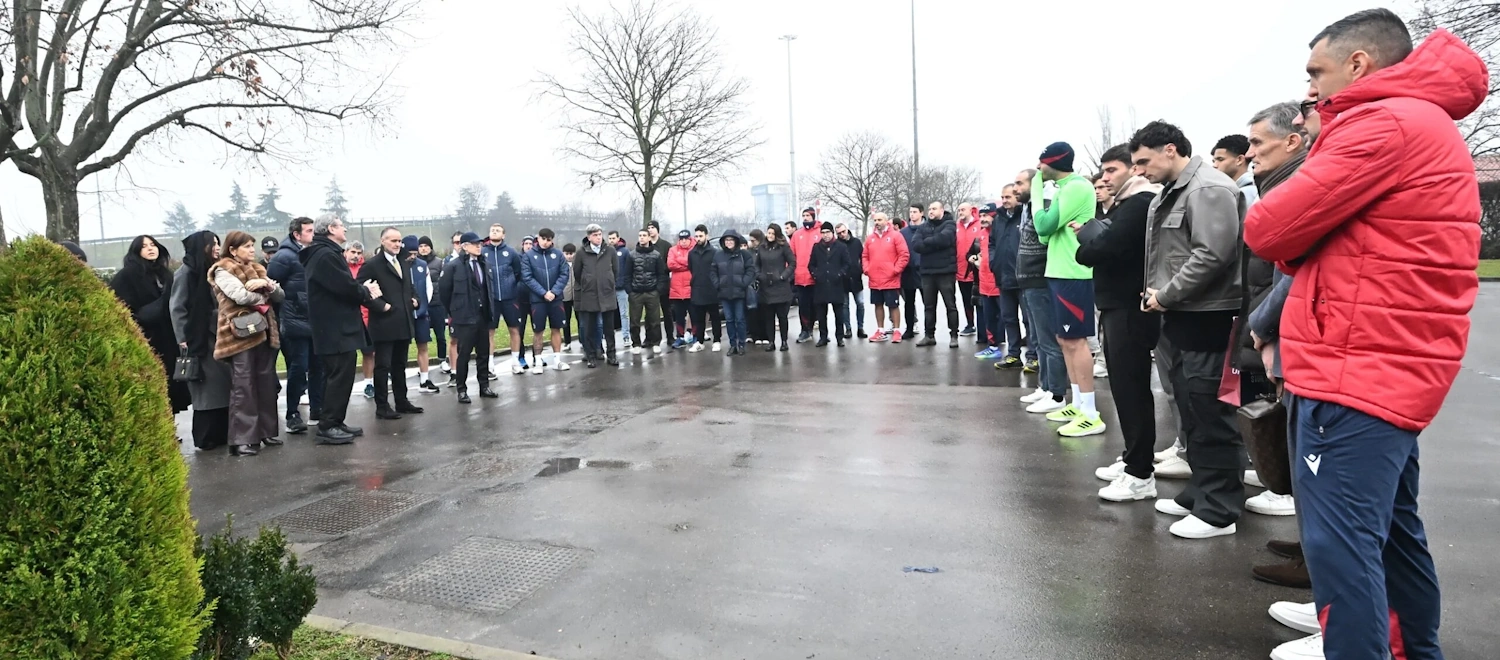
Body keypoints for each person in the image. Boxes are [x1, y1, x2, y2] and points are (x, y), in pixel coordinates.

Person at [1246, 11, 1483, 659]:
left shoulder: (1383, 124)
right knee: (1393, 539)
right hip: (1384, 365)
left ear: (1359, 64)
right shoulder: (1416, 121)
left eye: (1316, 73)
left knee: (1340, 548)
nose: (1310, 92)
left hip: (1355, 368)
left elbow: (1268, 229)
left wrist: (1300, 244)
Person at [1131, 120, 1247, 540]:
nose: (1140, 171)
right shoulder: (1178, 189)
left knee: (1210, 411)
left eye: (1144, 161)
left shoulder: (1207, 189)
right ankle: (1201, 491)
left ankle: (1220, 509)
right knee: (1191, 409)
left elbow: (1213, 254)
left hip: (1208, 314)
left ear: (1170, 149)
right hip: (1186, 312)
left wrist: (1168, 294)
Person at [1243, 99, 1315, 591]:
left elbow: (1294, 270)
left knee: (1315, 461)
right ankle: (1310, 545)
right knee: (1301, 449)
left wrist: (1261, 323)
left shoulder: (1302, 185)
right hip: (1287, 329)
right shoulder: (1282, 182)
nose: (1249, 154)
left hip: (1296, 329)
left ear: (1292, 141)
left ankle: (1316, 563)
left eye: (1256, 143)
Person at [1077, 143, 1164, 502]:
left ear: (1133, 169)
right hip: (1116, 304)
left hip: (1130, 307)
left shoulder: (1140, 203)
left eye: (1112, 170)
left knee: (1131, 389)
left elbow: (1098, 250)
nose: (1104, 178)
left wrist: (1089, 243)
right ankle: (1133, 457)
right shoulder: (1126, 205)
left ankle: (1140, 473)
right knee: (1124, 389)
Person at [1031, 142, 1105, 438]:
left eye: (1041, 163)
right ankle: (1077, 404)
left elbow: (1044, 226)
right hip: (1059, 271)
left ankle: (1090, 412)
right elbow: (1045, 237)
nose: (1038, 169)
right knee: (1064, 338)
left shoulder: (1075, 187)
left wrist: (1037, 192)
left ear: (1053, 163)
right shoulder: (1063, 189)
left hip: (1074, 272)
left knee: (1076, 341)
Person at [301, 215, 382, 444]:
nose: (345, 228)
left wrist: (359, 289)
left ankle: (336, 420)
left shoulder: (325, 253)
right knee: (338, 376)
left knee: (341, 375)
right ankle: (328, 426)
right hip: (334, 327)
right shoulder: (325, 255)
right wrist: (365, 291)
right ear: (330, 229)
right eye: (340, 225)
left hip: (336, 325)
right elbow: (343, 288)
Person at [209, 231, 286, 457]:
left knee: (265, 382)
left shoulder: (259, 269)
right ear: (232, 250)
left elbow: (279, 294)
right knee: (244, 386)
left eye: (252, 246)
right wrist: (264, 294)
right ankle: (242, 439)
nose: (252, 250)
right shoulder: (222, 269)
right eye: (246, 246)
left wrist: (265, 285)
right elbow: (240, 296)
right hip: (238, 334)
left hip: (263, 330)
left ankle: (266, 432)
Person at [110, 235, 192, 416]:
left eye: (153, 244)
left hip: (167, 337)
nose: (150, 248)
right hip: (146, 338)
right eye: (144, 246)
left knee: (171, 383)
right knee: (152, 382)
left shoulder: (164, 274)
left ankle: (169, 424)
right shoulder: (128, 275)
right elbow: (119, 305)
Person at [171, 231, 231, 450]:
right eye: (212, 244)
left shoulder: (215, 270)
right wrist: (183, 338)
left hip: (218, 336)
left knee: (222, 387)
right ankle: (206, 437)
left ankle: (222, 433)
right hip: (199, 340)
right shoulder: (186, 272)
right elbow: (177, 308)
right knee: (207, 390)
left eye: (217, 243)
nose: (217, 247)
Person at [357, 228, 425, 420]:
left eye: (399, 241)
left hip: (403, 321)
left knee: (399, 364)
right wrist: (382, 306)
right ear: (383, 241)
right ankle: (382, 405)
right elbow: (361, 291)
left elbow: (409, 286)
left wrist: (415, 299)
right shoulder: (373, 265)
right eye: (393, 240)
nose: (397, 244)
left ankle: (402, 401)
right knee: (383, 366)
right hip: (384, 324)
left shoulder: (402, 261)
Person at [1015, 169, 1069, 409]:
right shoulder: (1028, 207)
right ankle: (1045, 387)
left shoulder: (1045, 204)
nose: (1015, 188)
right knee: (1037, 340)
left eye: (1019, 183)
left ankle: (1057, 394)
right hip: (1028, 282)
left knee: (1049, 340)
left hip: (1041, 280)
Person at [265, 217, 322, 433]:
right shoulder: (284, 257)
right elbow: (271, 289)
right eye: (308, 231)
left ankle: (317, 409)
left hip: (315, 319)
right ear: (296, 234)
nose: (312, 234)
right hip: (294, 321)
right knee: (298, 369)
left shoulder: (314, 253)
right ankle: (292, 414)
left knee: (319, 367)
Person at [439, 232, 499, 403]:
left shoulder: (484, 264)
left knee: (483, 353)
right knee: (463, 354)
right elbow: (444, 291)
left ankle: (484, 386)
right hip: (464, 316)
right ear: (465, 246)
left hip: (482, 314)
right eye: (474, 244)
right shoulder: (453, 266)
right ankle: (462, 389)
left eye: (479, 243)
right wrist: (454, 310)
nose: (478, 246)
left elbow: (488, 288)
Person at [908, 202, 959, 347]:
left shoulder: (950, 224)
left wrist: (928, 242)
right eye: (929, 209)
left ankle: (954, 335)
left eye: (934, 209)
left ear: (942, 210)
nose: (931, 211)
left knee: (950, 305)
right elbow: (916, 245)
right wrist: (935, 244)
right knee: (929, 306)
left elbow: (945, 239)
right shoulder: (923, 227)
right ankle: (929, 335)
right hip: (927, 272)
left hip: (945, 271)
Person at [521, 228, 571, 374]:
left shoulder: (558, 255)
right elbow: (527, 277)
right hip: (538, 300)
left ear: (552, 240)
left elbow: (564, 274)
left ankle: (557, 360)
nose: (545, 242)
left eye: (548, 239)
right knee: (538, 330)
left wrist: (554, 292)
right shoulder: (529, 256)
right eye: (543, 239)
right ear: (538, 238)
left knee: (556, 329)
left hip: (556, 299)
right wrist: (543, 293)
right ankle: (537, 361)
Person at [573, 224, 620, 368]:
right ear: (589, 237)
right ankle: (591, 356)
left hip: (607, 294)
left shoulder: (610, 251)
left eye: (600, 234)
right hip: (589, 295)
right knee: (589, 328)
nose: (598, 237)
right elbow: (577, 273)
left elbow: (616, 270)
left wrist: (608, 281)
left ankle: (611, 355)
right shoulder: (581, 253)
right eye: (595, 235)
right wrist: (588, 282)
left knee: (609, 329)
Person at [481, 224, 525, 374]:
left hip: (510, 298)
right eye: (492, 229)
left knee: (514, 329)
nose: (494, 231)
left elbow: (519, 273)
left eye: (498, 230)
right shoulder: (483, 252)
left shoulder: (511, 252)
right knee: (490, 332)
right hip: (491, 299)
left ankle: (515, 362)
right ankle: (490, 364)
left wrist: (512, 288)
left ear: (503, 235)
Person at [992, 187, 1028, 369]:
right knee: (1009, 318)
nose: (1004, 200)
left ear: (1017, 197)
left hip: (1023, 276)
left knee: (1028, 319)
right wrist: (993, 262)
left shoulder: (1026, 215)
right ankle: (1013, 355)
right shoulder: (998, 219)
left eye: (1008, 197)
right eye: (1002, 197)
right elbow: (992, 243)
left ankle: (1033, 355)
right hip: (1003, 276)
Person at [400, 235, 440, 393]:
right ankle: (399, 382)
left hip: (421, 314)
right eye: (409, 253)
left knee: (423, 346)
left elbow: (429, 288)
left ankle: (425, 380)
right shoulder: (398, 265)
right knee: (401, 349)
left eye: (415, 253)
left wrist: (423, 305)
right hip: (403, 315)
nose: (412, 256)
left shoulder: (423, 265)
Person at [862, 212, 909, 343]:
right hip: (875, 279)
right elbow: (865, 256)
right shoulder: (870, 238)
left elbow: (904, 255)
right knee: (878, 305)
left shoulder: (896, 236)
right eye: (875, 220)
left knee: (893, 305)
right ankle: (880, 330)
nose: (877, 222)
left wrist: (896, 270)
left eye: (880, 220)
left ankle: (897, 330)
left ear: (886, 221)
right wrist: (867, 269)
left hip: (891, 279)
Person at [711, 229, 757, 355]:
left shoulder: (744, 255)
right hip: (724, 293)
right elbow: (713, 271)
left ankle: (741, 344)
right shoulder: (718, 255)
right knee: (729, 320)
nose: (729, 242)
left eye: (731, 240)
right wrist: (717, 284)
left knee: (740, 319)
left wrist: (743, 283)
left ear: (736, 241)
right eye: (727, 240)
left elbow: (750, 270)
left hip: (739, 293)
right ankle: (732, 344)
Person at [807, 221, 851, 347]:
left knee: (839, 313)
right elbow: (811, 265)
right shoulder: (817, 247)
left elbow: (847, 264)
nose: (825, 235)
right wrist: (816, 275)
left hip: (836, 284)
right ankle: (823, 337)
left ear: (832, 233)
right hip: (821, 284)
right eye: (823, 232)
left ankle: (840, 337)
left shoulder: (841, 246)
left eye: (828, 232)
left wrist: (839, 274)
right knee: (821, 314)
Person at [626, 228, 668, 356]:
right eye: (640, 235)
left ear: (649, 238)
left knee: (654, 320)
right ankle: (636, 344)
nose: (642, 238)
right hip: (636, 293)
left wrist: (658, 290)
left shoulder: (656, 255)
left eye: (644, 235)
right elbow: (627, 274)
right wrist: (630, 290)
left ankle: (656, 343)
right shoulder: (631, 255)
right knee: (634, 321)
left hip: (652, 292)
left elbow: (662, 274)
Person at [344, 241, 377, 399]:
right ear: (346, 252)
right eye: (353, 252)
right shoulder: (340, 268)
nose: (355, 256)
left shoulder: (367, 268)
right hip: (346, 317)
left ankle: (368, 383)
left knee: (369, 352)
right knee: (346, 356)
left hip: (367, 316)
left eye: (358, 253)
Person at [756, 223, 796, 351]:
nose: (770, 236)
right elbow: (756, 265)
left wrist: (783, 276)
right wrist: (759, 275)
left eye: (773, 233)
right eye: (768, 233)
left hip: (780, 286)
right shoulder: (762, 247)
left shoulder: (783, 247)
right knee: (769, 317)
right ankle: (771, 341)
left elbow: (792, 262)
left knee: (782, 316)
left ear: (777, 234)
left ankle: (784, 341)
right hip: (766, 286)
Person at [686, 225, 723, 353]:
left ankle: (717, 340)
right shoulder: (692, 253)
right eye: (696, 236)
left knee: (715, 317)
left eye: (701, 236)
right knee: (698, 318)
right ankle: (699, 341)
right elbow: (691, 268)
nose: (698, 239)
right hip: (697, 288)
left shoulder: (714, 252)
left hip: (711, 289)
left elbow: (718, 270)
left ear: (707, 236)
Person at [971, 206, 1002, 359]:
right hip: (985, 284)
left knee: (1007, 319)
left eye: (986, 215)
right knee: (989, 318)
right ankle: (993, 347)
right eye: (981, 215)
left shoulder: (1000, 232)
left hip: (1000, 284)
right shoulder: (981, 234)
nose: (982, 219)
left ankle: (1014, 351)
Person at [417, 236, 450, 375]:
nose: (423, 248)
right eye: (421, 246)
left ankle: (442, 360)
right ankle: (423, 366)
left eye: (426, 246)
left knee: (440, 334)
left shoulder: (439, 263)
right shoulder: (415, 264)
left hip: (437, 304)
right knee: (421, 337)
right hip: (421, 306)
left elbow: (444, 283)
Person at [790, 208, 822, 342]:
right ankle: (805, 330)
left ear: (813, 216)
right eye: (803, 215)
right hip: (800, 276)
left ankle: (816, 327)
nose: (805, 218)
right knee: (803, 305)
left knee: (816, 305)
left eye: (808, 215)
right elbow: (791, 255)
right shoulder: (797, 235)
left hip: (816, 277)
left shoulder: (820, 232)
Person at [953, 202, 982, 337]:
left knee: (980, 301)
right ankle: (970, 324)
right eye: (959, 210)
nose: (960, 212)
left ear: (971, 210)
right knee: (966, 300)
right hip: (961, 270)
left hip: (977, 270)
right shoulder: (956, 227)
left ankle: (984, 327)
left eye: (963, 209)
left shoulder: (979, 224)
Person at [835, 223, 866, 339]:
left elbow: (863, 257)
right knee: (844, 305)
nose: (842, 235)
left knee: (860, 303)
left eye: (843, 232)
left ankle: (860, 327)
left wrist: (861, 269)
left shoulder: (856, 242)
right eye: (839, 233)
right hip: (842, 279)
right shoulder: (836, 244)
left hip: (856, 277)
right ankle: (847, 328)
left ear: (847, 230)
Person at [897, 206, 923, 342]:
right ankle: (909, 328)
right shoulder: (903, 232)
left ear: (921, 213)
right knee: (909, 303)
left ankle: (930, 331)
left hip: (924, 270)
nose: (912, 215)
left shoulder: (927, 229)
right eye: (910, 212)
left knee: (929, 303)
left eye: (915, 212)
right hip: (908, 271)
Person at [1211, 134, 1260, 205]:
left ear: (1239, 160)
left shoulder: (1250, 193)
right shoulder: (1231, 191)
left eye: (1220, 159)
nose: (1214, 165)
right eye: (1214, 161)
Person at [648, 221, 676, 345]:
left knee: (667, 311)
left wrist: (659, 268)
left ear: (658, 230)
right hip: (648, 283)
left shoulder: (665, 245)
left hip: (663, 282)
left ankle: (670, 336)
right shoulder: (645, 245)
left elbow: (669, 264)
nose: (650, 230)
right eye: (648, 228)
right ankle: (649, 338)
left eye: (653, 228)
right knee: (650, 312)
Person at [667, 229, 696, 348]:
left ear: (690, 239)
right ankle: (680, 337)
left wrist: (680, 262)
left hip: (691, 288)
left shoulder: (695, 250)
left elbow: (693, 264)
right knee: (679, 317)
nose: (684, 241)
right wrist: (686, 263)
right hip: (677, 290)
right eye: (681, 239)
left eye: (686, 239)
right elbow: (670, 265)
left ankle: (695, 336)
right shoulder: (672, 250)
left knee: (694, 315)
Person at [609, 230, 632, 350]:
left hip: (622, 288)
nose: (611, 240)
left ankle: (626, 337)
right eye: (610, 238)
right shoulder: (606, 252)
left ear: (618, 238)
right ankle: (609, 337)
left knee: (624, 313)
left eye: (613, 238)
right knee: (608, 314)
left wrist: (625, 283)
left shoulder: (625, 251)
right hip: (609, 289)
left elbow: (628, 268)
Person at [744, 229, 768, 345]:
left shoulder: (764, 250)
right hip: (752, 283)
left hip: (763, 282)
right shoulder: (750, 252)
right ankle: (753, 334)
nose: (751, 243)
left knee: (763, 311)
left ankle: (764, 335)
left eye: (753, 240)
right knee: (752, 310)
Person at [561, 242, 578, 350]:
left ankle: (582, 341)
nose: (569, 256)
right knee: (565, 320)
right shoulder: (561, 265)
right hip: (564, 297)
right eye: (567, 254)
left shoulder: (577, 264)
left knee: (580, 319)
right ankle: (567, 342)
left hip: (577, 296)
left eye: (571, 254)